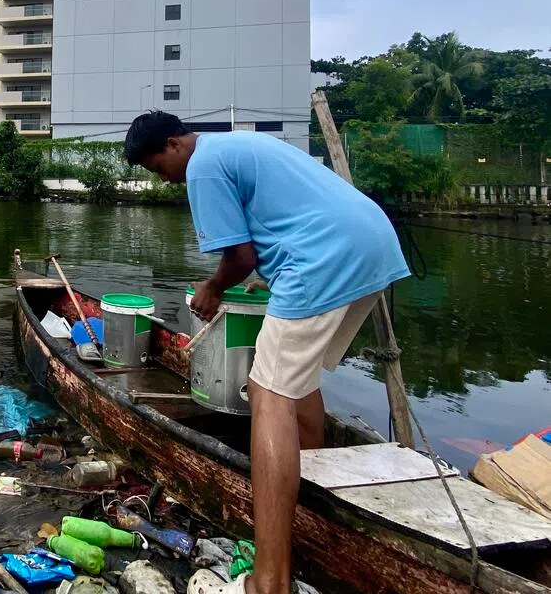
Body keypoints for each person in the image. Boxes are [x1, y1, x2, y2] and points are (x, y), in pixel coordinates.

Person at [122, 111, 409, 594]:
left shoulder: (202, 167)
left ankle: (270, 580)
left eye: (157, 167)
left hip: (323, 257)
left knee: (266, 392)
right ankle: (307, 492)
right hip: (370, 241)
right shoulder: (233, 147)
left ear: (174, 144)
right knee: (299, 380)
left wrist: (213, 289)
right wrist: (259, 276)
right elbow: (274, 232)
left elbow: (239, 257)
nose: (164, 179)